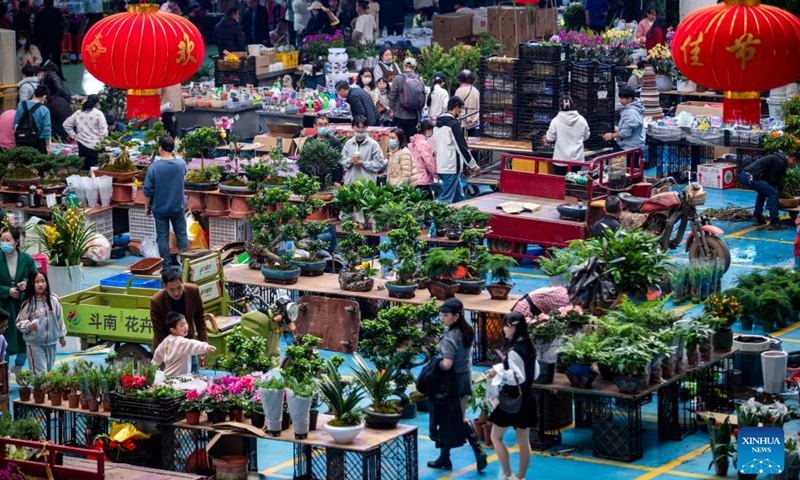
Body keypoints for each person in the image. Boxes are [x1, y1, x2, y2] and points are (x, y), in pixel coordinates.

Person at [427, 298, 487, 472]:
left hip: (450, 384)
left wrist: (434, 366)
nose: (442, 318)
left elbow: (447, 364)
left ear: (456, 316)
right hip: (464, 379)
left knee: (446, 419)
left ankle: (452, 456)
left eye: (446, 315)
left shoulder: (451, 337)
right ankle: (453, 456)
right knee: (459, 417)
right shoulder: (466, 331)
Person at [486, 312, 537, 480]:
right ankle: (520, 477)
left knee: (496, 437)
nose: (503, 329)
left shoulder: (514, 351)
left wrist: (498, 371)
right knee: (523, 440)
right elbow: (534, 372)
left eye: (506, 326)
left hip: (512, 399)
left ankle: (507, 474)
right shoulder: (529, 345)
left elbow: (517, 377)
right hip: (527, 396)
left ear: (514, 327)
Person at [150, 268, 209, 371]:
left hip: (188, 341)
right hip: (168, 347)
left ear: (182, 282)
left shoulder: (193, 291)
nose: (176, 293)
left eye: (179, 288)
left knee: (193, 376)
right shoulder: (157, 301)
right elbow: (159, 333)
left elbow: (200, 318)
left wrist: (203, 345)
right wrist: (165, 360)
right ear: (165, 287)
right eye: (171, 290)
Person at [144, 136, 189, 270]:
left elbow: (148, 190)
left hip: (159, 208)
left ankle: (166, 266)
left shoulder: (153, 167)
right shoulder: (181, 164)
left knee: (162, 236)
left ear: (160, 148)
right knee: (181, 234)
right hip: (177, 206)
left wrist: (147, 206)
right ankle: (186, 265)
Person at [0, 226, 37, 377]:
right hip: (3, 305)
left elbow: (35, 277)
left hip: (22, 304)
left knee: (23, 338)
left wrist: (25, 284)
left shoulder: (27, 259)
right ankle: (3, 369)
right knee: (5, 337)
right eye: (2, 240)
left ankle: (19, 366)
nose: (4, 243)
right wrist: (7, 291)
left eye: (7, 240)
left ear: (16, 242)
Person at [16, 269, 65, 377]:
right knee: (40, 374)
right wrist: (28, 326)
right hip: (35, 344)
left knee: (47, 371)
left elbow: (59, 319)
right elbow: (19, 321)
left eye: (43, 281)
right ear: (31, 284)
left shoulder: (54, 300)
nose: (41, 284)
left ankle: (43, 393)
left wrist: (62, 336)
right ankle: (40, 393)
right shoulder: (28, 302)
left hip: (51, 343)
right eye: (37, 282)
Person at [432, 97, 479, 204]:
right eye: (461, 109)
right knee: (445, 199)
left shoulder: (437, 125)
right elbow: (462, 147)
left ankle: (463, 218)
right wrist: (473, 165)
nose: (461, 112)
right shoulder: (453, 125)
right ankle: (436, 218)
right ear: (456, 108)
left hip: (442, 165)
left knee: (459, 198)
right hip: (451, 167)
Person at [741, 150, 799, 229]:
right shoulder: (780, 162)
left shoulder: (779, 159)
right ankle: (774, 222)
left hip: (746, 174)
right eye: (795, 163)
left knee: (764, 192)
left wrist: (780, 192)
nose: (794, 165)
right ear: (793, 159)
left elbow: (774, 180)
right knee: (773, 193)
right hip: (750, 176)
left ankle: (758, 217)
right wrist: (777, 197)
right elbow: (772, 180)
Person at [152, 312, 216, 376]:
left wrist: (153, 367)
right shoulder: (181, 342)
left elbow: (157, 356)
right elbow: (192, 344)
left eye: (186, 323)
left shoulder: (166, 340)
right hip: (177, 379)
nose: (185, 327)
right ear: (173, 330)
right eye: (182, 326)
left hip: (167, 376)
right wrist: (205, 347)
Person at [543, 95, 591, 175]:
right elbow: (586, 136)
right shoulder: (582, 120)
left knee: (561, 182)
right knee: (576, 181)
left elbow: (550, 138)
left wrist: (546, 138)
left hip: (560, 160)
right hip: (577, 160)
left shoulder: (556, 121)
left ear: (560, 107)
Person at [63, 94, 108, 171]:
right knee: (96, 170)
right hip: (97, 146)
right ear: (97, 103)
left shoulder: (78, 113)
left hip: (82, 145)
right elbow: (104, 131)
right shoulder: (98, 113)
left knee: (84, 169)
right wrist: (104, 143)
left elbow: (66, 124)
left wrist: (74, 135)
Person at [340, 115, 385, 185]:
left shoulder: (373, 144)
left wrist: (364, 163)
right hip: (351, 183)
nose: (360, 130)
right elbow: (342, 160)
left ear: (367, 127)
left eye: (363, 127)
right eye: (358, 127)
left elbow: (379, 163)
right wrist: (350, 161)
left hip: (367, 184)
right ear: (353, 127)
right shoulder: (349, 143)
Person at [389, 57, 424, 138]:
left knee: (399, 139)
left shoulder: (398, 78)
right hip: (414, 115)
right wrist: (420, 111)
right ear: (414, 67)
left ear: (404, 66)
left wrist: (392, 109)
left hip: (399, 114)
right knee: (411, 140)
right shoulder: (419, 79)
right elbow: (423, 97)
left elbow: (392, 95)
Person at [306, 114, 344, 186]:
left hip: (329, 179)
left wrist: (337, 180)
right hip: (312, 179)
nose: (323, 127)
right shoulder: (309, 141)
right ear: (315, 126)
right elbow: (304, 160)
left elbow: (339, 162)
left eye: (325, 125)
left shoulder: (335, 143)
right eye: (320, 125)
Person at [603, 86, 644, 151]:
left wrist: (611, 135)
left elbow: (626, 133)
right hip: (630, 146)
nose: (620, 100)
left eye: (622, 98)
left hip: (630, 148)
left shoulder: (631, 112)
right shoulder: (629, 109)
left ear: (629, 99)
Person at [32, 0, 65, 79]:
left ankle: (45, 76)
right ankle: (59, 75)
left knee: (45, 59)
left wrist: (37, 41)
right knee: (57, 59)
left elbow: (36, 28)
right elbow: (62, 26)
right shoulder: (57, 13)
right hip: (56, 40)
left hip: (44, 41)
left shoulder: (40, 14)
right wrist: (60, 37)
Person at [14, 85, 51, 154]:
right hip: (38, 142)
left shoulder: (21, 104)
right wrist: (47, 145)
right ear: (44, 97)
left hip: (21, 139)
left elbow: (16, 123)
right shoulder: (44, 110)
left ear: (34, 94)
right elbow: (46, 130)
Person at [409, 119, 437, 196]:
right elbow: (429, 162)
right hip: (423, 178)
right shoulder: (424, 144)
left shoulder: (411, 143)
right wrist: (436, 174)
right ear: (427, 131)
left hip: (413, 177)